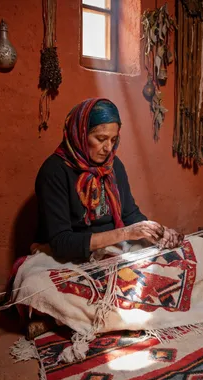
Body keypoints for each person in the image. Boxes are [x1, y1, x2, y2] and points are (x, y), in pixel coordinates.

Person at [33, 98, 183, 262]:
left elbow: (130, 214)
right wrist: (126, 233)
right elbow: (61, 243)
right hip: (71, 255)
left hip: (113, 248)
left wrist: (159, 232)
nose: (108, 148)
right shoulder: (54, 171)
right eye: (100, 138)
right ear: (80, 134)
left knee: (196, 246)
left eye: (113, 140)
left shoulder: (113, 165)